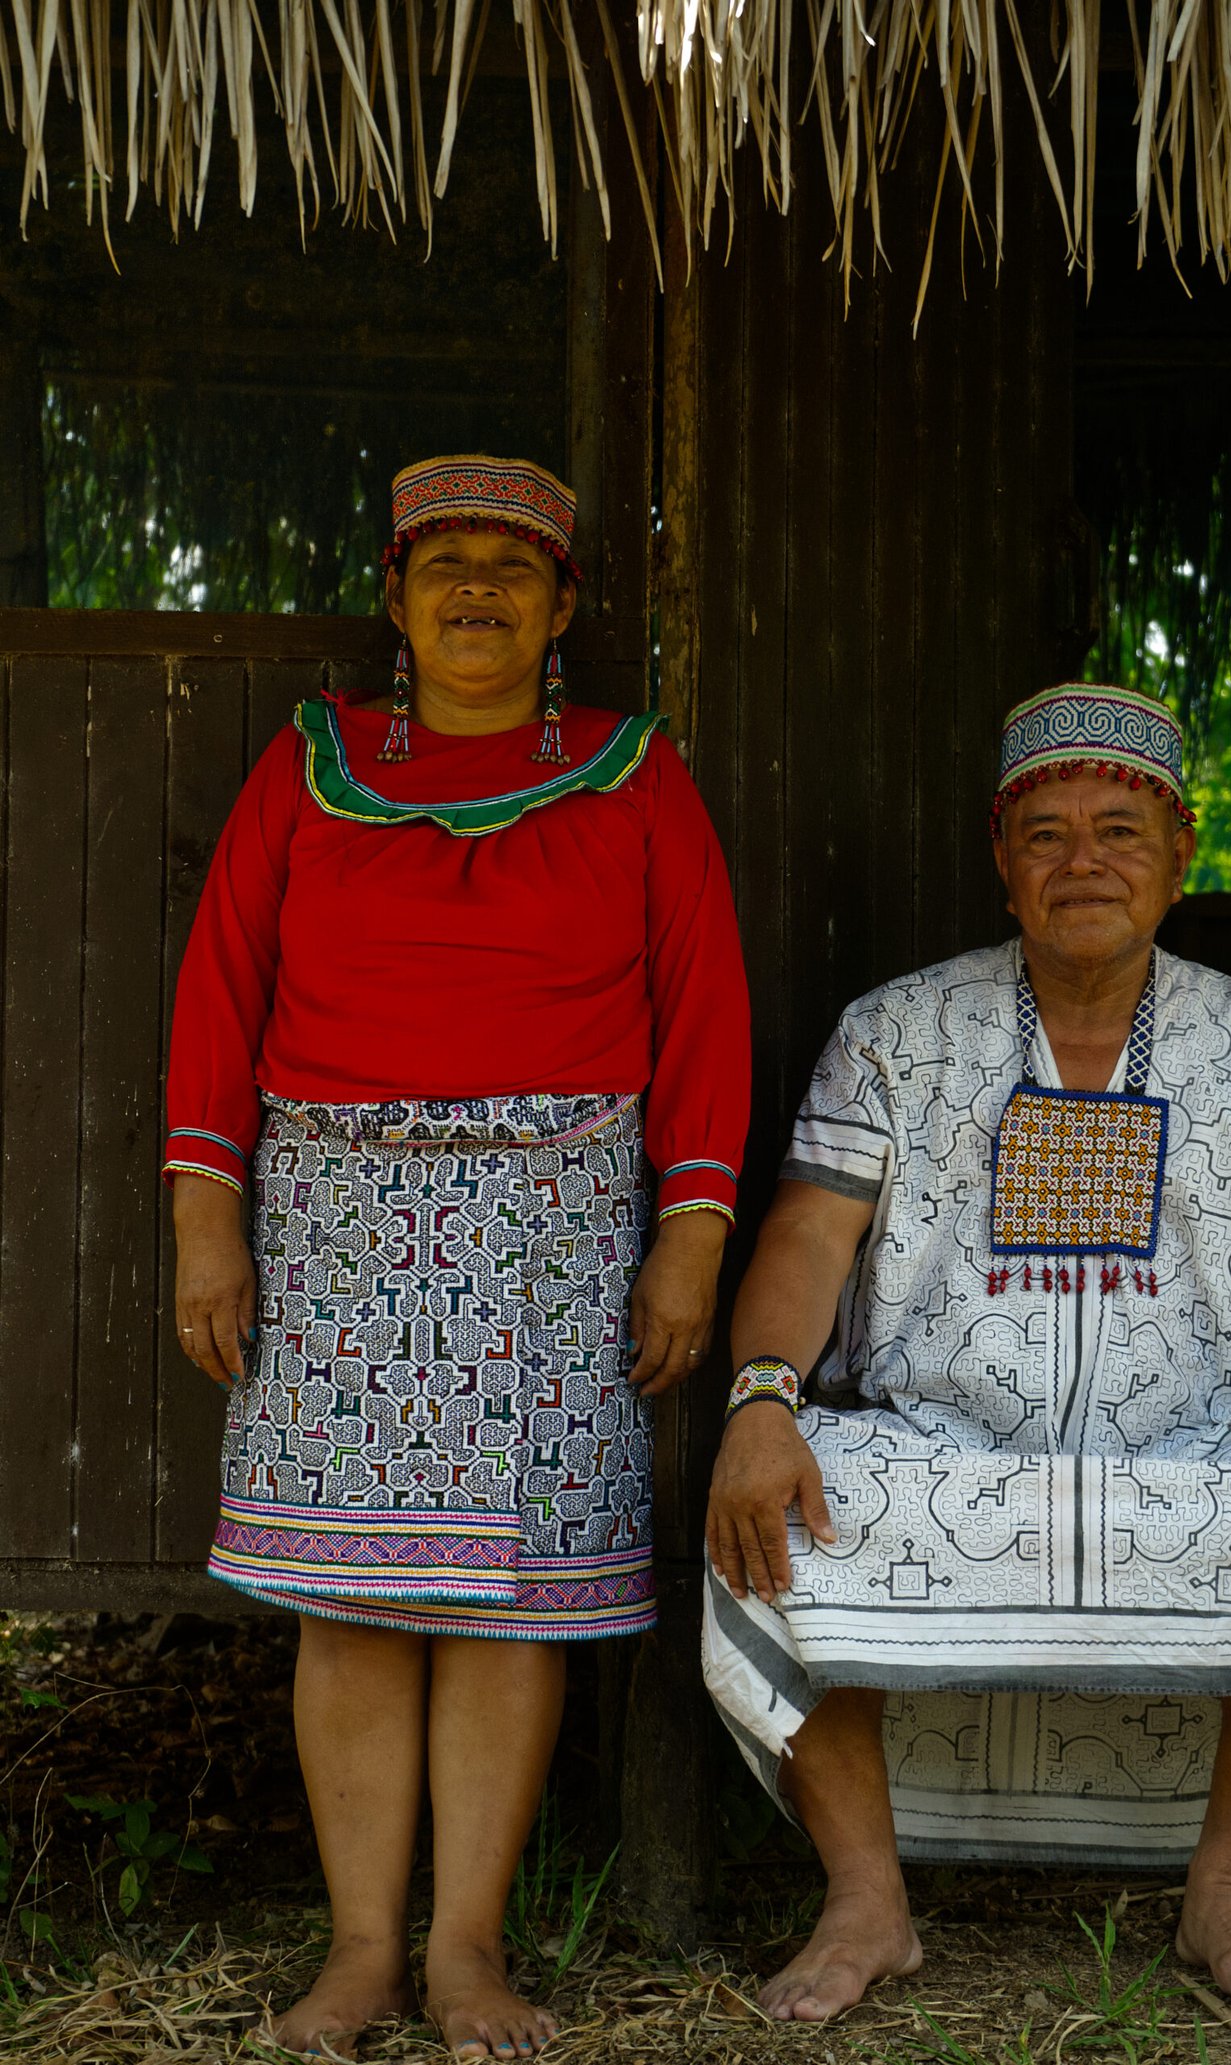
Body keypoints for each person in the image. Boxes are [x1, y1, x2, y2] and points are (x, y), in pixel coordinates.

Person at [703, 681, 1231, 2022]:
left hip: (1196, 1448)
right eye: (1047, 834)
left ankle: (1226, 1884)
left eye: (1120, 832)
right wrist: (760, 1400)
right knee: (791, 1494)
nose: (1083, 861)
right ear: (1001, 857)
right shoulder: (895, 1031)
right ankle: (865, 1898)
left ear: (1181, 856)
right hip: (938, 1442)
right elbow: (805, 1237)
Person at [165, 455, 750, 2059]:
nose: (477, 585)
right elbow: (220, 987)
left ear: (562, 609)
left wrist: (691, 1233)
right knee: (349, 1589)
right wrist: (206, 1214)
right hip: (334, 1219)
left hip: (558, 1223)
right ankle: (361, 1950)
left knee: (514, 1596)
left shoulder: (636, 774)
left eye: (512, 564)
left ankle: (467, 1950)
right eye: (445, 560)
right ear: (398, 595)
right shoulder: (311, 765)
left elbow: (704, 1005)